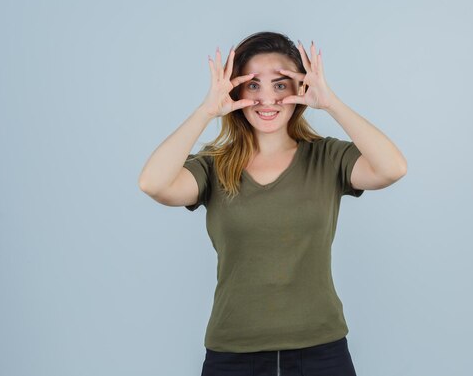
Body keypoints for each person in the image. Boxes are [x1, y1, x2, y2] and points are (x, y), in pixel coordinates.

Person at [138, 31, 407, 376]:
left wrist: (332, 104)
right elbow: (153, 183)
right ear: (236, 91)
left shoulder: (327, 157)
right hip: (233, 354)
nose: (267, 99)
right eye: (253, 85)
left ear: (300, 89)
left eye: (280, 85)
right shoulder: (213, 165)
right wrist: (205, 112)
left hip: (321, 352)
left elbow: (392, 168)